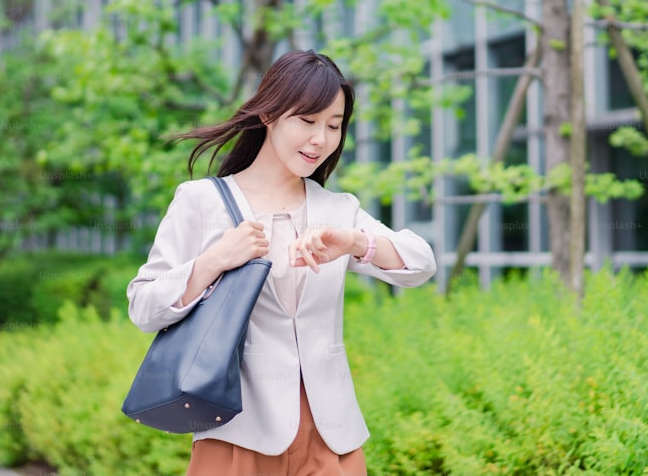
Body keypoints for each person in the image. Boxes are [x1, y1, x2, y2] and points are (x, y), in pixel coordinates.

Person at [127, 49, 437, 476]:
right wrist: (214, 261)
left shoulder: (338, 210)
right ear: (269, 115)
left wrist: (353, 242)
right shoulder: (201, 202)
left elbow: (422, 263)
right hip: (238, 431)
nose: (321, 140)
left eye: (334, 125)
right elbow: (144, 307)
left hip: (333, 437)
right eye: (307, 121)